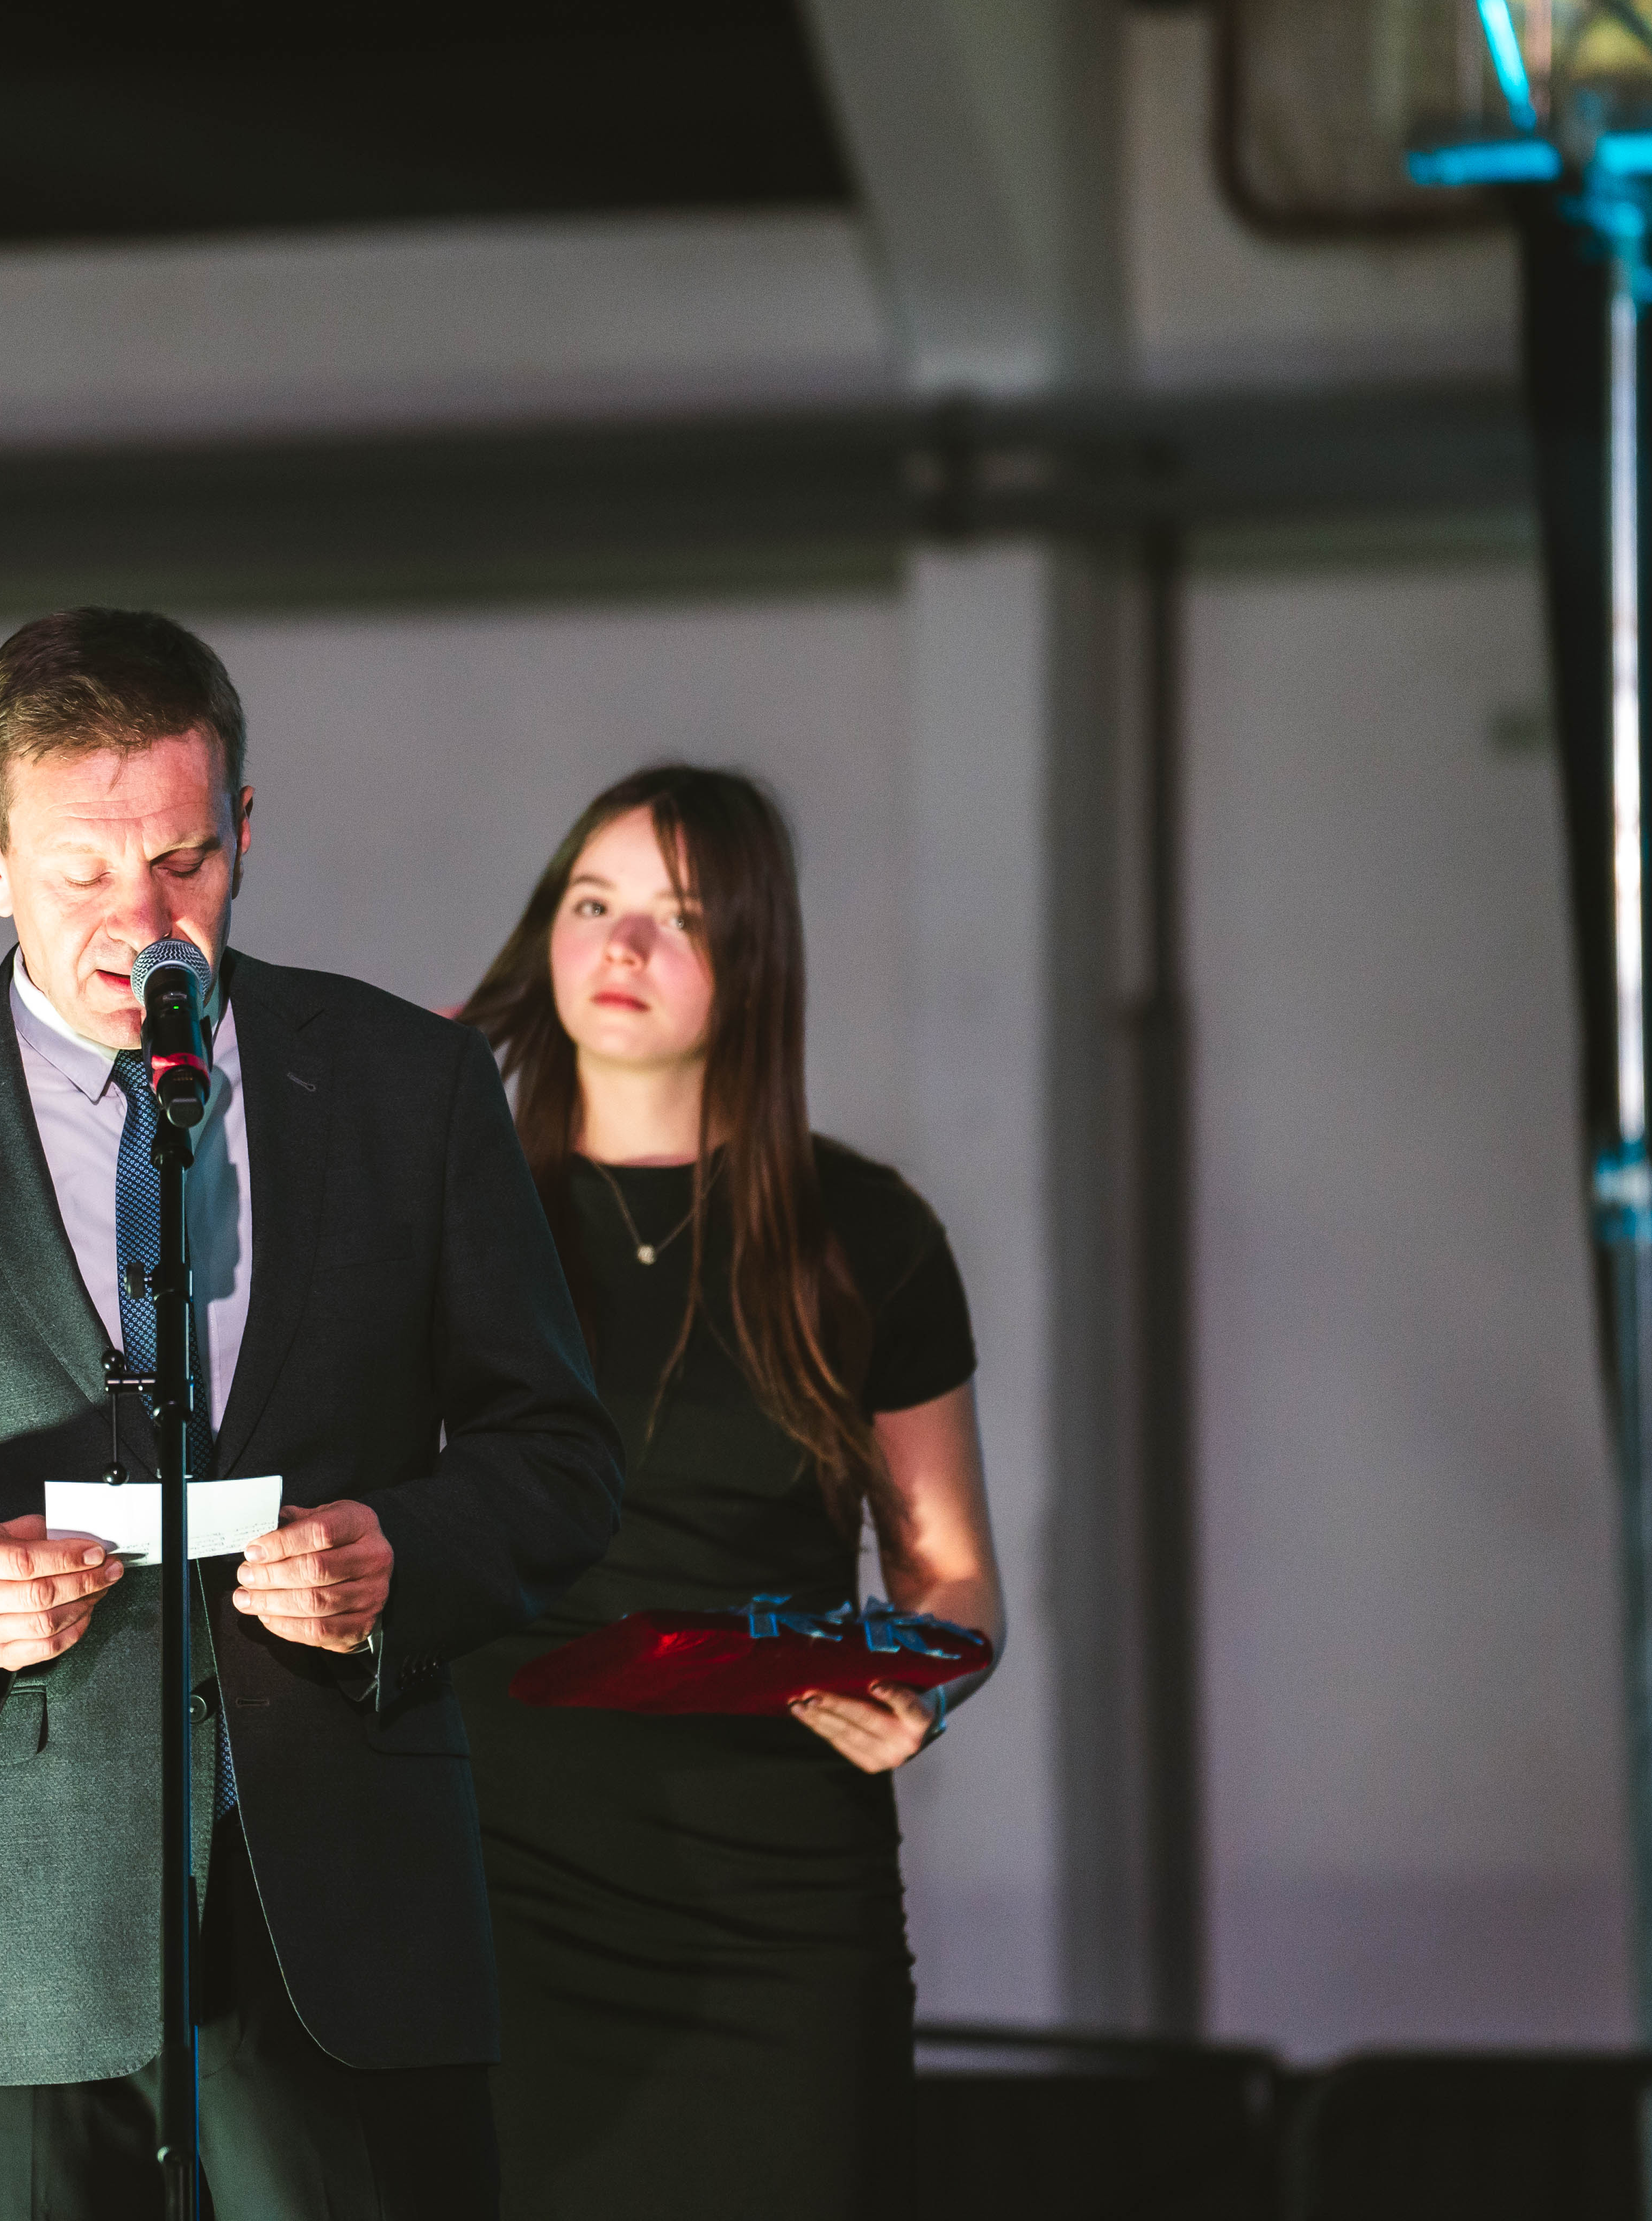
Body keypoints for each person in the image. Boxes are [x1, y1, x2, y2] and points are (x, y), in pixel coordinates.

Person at [0, 607, 624, 2220]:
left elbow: (558, 1455)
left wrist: (399, 1556)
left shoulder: (409, 1085)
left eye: (186, 860)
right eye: (84, 872)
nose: (145, 922)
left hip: (343, 1916)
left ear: (244, 828)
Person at [451, 763, 1003, 2221]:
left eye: (680, 917)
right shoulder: (449, 1210)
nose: (622, 946)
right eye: (592, 904)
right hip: (505, 1874)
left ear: (753, 958)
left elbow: (952, 1579)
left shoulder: (864, 1231)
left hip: (778, 1899)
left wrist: (926, 1682)